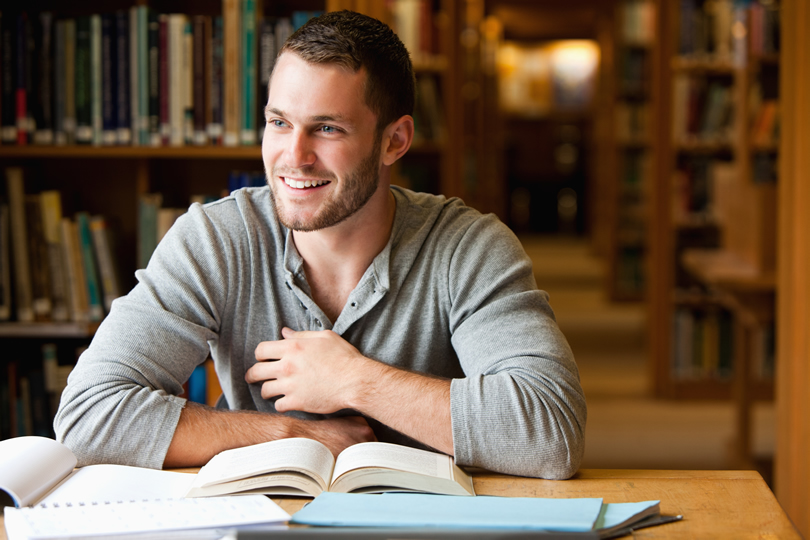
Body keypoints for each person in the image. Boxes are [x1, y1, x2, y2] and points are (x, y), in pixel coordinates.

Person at [54, 10, 586, 480]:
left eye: (327, 128)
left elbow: (551, 432)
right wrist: (290, 436)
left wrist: (354, 380)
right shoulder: (216, 239)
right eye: (278, 123)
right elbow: (88, 416)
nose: (294, 156)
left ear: (394, 141)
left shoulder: (469, 246)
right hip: (261, 518)